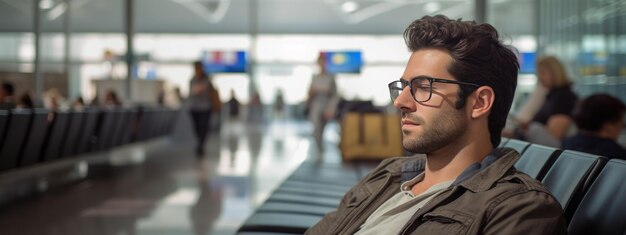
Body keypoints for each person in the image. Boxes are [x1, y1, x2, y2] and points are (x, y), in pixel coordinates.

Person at [307, 15, 566, 235]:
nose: (401, 102)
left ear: (479, 102)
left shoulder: (517, 208)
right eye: (404, 87)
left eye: (423, 87)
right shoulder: (389, 174)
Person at [512, 56, 577, 147]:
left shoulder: (563, 97)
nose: (540, 78)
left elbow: (555, 135)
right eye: (538, 74)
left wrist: (529, 128)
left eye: (543, 73)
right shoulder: (551, 95)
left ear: (555, 73)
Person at [562, 94, 626, 159]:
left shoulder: (568, 144)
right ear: (607, 125)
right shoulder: (615, 154)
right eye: (621, 120)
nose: (623, 125)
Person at [307, 52, 339, 155]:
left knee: (322, 128)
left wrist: (331, 108)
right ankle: (319, 149)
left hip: (327, 105)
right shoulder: (314, 77)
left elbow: (335, 94)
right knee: (316, 128)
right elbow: (309, 92)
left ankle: (321, 148)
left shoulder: (331, 77)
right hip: (316, 104)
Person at [189, 61, 217, 157]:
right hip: (195, 108)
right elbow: (193, 92)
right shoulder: (192, 79)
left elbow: (203, 90)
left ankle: (201, 145)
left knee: (204, 128)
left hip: (205, 108)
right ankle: (199, 143)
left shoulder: (207, 79)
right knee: (197, 128)